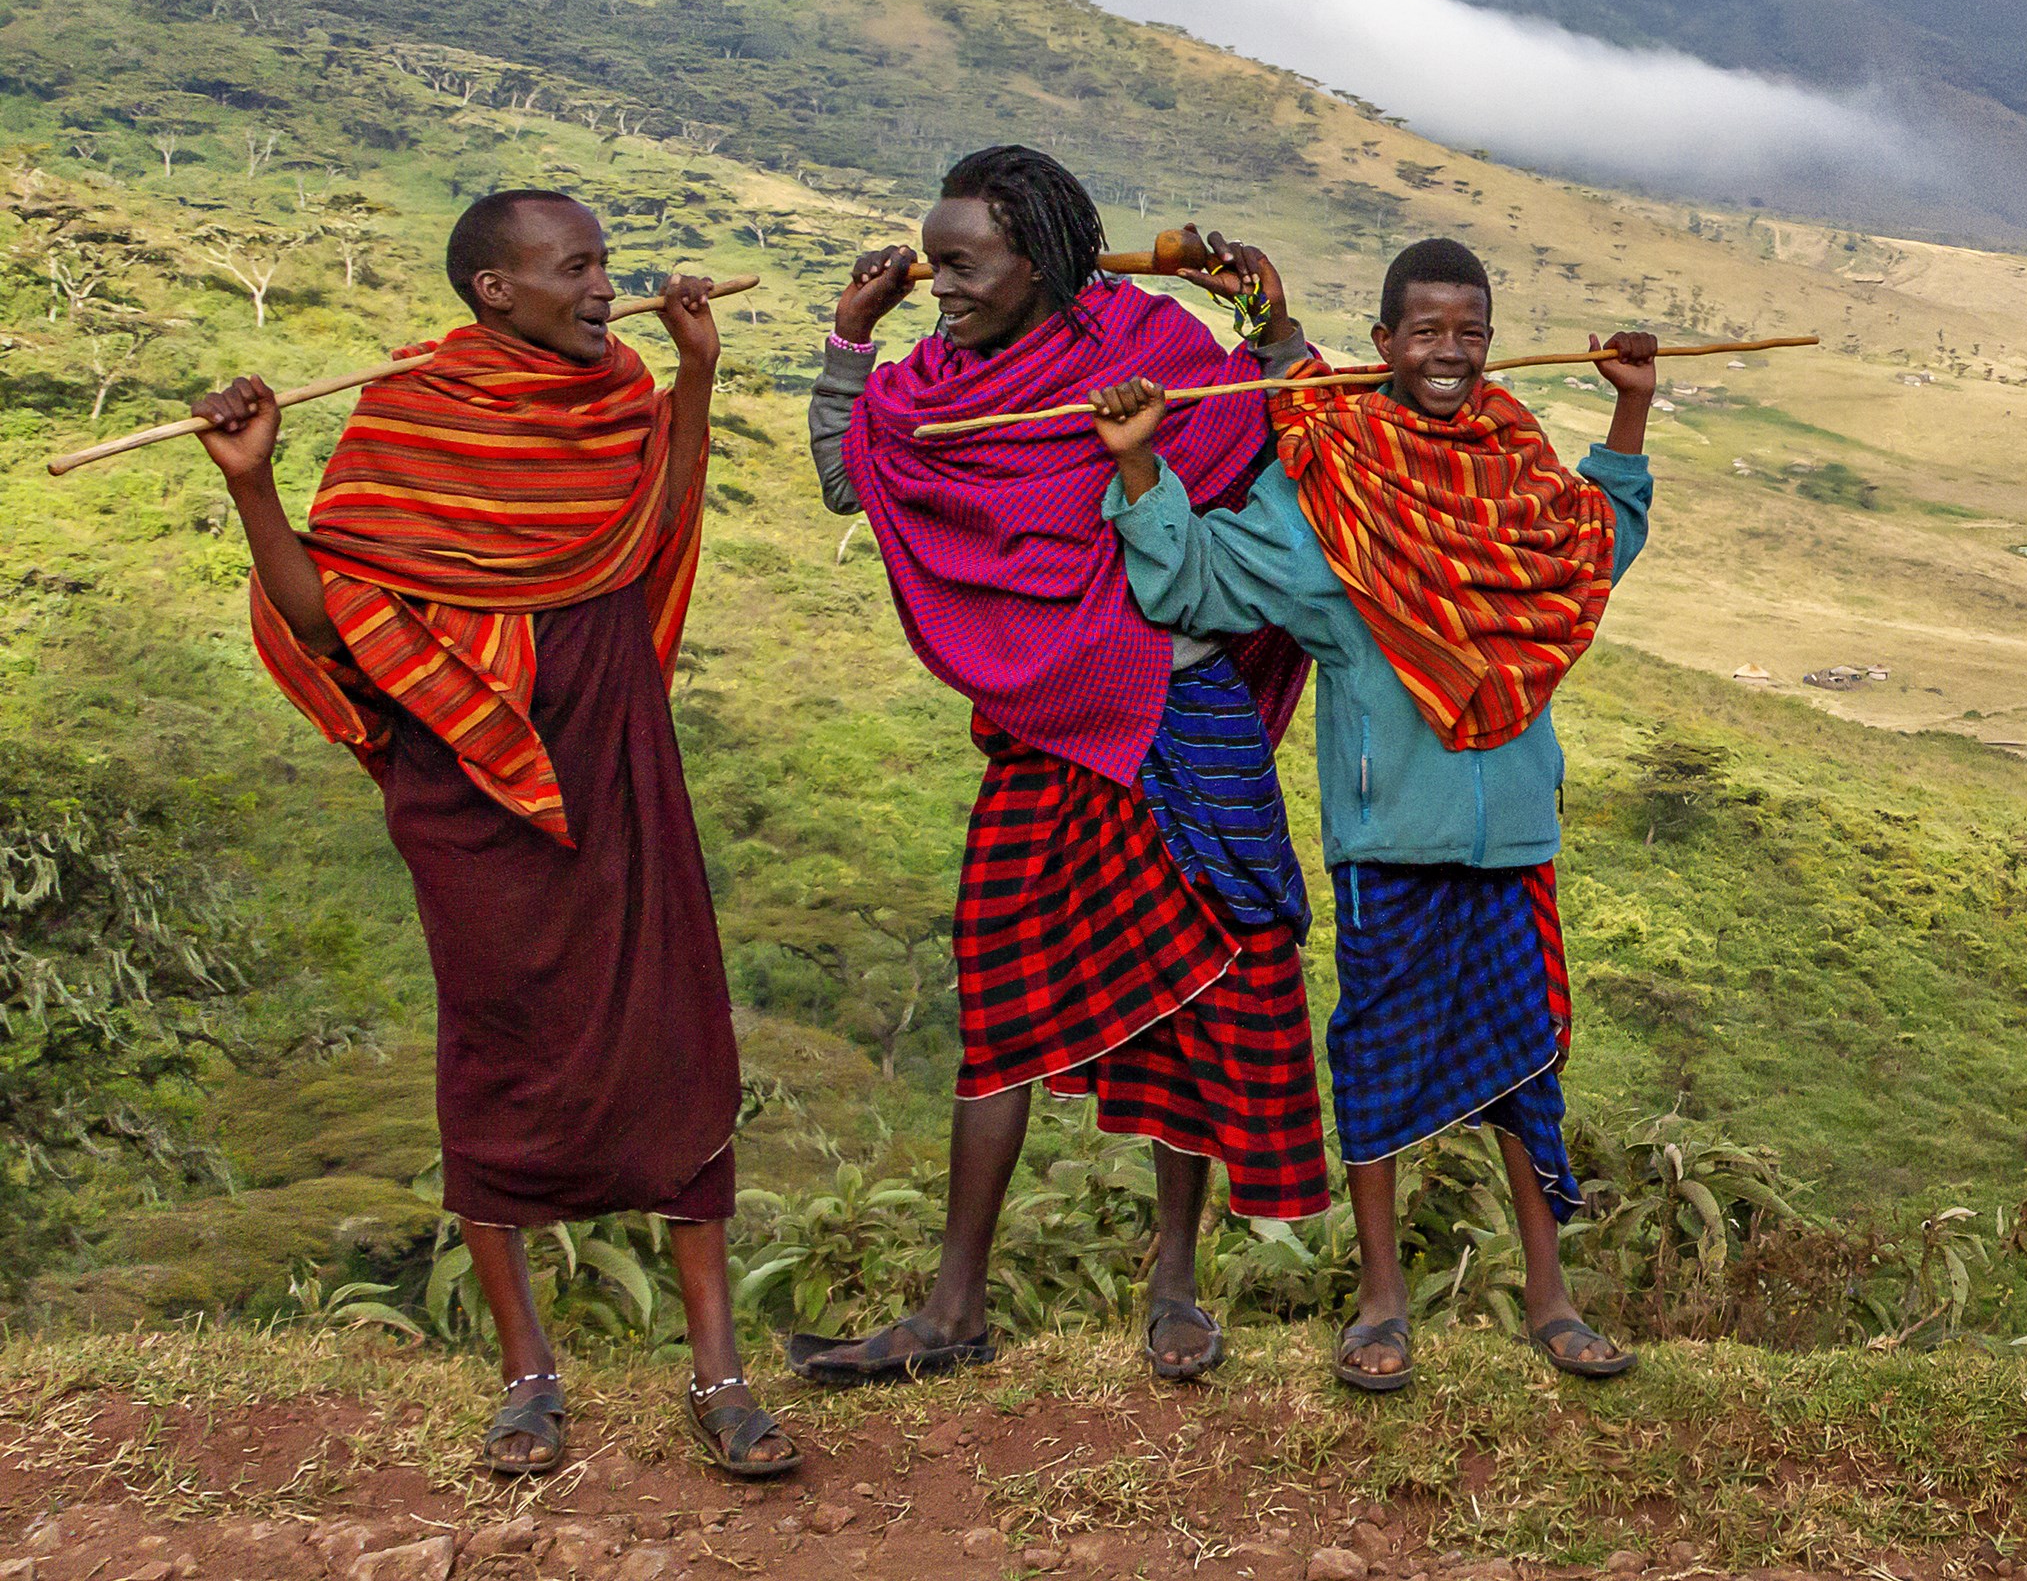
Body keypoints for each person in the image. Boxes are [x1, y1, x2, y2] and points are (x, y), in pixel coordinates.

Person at [192, 192, 795, 1482]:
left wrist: (694, 375)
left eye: (604, 268)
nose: (602, 288)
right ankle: (529, 1380)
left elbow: (660, 528)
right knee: (497, 1055)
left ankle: (720, 1375)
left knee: (675, 1037)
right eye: (575, 269)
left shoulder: (622, 385)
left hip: (616, 747)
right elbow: (323, 620)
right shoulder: (408, 416)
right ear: (494, 291)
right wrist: (258, 491)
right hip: (466, 776)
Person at [1086, 235, 1657, 1395]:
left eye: (1471, 332)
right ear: (1385, 343)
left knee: (1527, 1072)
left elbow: (1599, 544)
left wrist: (1630, 415)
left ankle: (1550, 1301)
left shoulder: (1519, 470)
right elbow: (1191, 575)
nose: (1450, 352)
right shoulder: (1331, 496)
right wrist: (1140, 471)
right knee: (1381, 1066)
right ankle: (1381, 1304)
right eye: (1426, 332)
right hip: (1386, 840)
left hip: (1515, 846)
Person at [795, 145, 1328, 1388]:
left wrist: (1273, 321)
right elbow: (844, 482)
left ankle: (1175, 1287)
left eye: (964, 267)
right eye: (933, 268)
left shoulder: (1145, 341)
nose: (942, 290)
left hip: (1178, 716)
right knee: (996, 1001)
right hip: (1043, 734)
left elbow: (1275, 440)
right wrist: (845, 342)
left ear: (1038, 256)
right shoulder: (924, 384)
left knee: (1197, 989)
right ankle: (954, 1310)